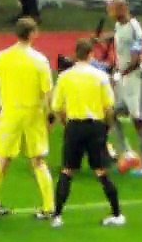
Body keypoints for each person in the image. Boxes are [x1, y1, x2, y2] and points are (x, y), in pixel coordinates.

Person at [0, 18, 56, 222]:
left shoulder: (1, 57)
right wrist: (50, 116)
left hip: (9, 112)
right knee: (37, 160)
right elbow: (47, 92)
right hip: (33, 113)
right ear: (32, 34)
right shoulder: (39, 60)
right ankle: (49, 206)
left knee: (0, 158)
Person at [50, 38, 126, 228]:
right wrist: (106, 128)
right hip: (95, 127)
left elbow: (57, 107)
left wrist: (66, 123)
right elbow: (109, 107)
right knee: (101, 171)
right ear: (91, 54)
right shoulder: (100, 76)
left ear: (76, 54)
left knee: (67, 170)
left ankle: (57, 216)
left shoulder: (65, 76)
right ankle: (116, 214)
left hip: (74, 125)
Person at [105, 0, 142, 176]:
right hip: (124, 79)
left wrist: (120, 73)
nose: (109, 14)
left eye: (111, 10)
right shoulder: (119, 26)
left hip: (137, 79)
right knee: (109, 113)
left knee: (138, 120)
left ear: (122, 9)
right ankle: (127, 152)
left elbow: (136, 58)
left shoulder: (135, 29)